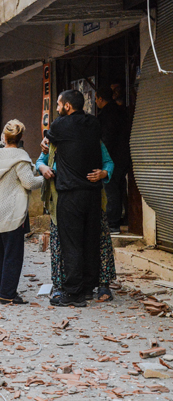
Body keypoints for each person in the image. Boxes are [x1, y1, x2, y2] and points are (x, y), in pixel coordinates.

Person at [38, 139, 116, 302]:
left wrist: (103, 173)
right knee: (60, 243)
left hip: (91, 202)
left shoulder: (93, 141)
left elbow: (108, 162)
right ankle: (60, 286)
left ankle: (102, 284)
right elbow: (40, 161)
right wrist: (43, 167)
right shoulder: (53, 143)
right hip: (61, 203)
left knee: (99, 240)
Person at [45, 90, 103, 307]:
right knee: (90, 241)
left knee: (72, 244)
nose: (57, 109)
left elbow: (47, 142)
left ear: (67, 106)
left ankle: (74, 293)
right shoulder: (94, 123)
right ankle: (88, 287)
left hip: (71, 194)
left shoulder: (60, 125)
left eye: (59, 105)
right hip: (93, 193)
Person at [0, 121, 44, 304]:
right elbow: (29, 182)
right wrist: (45, 178)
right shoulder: (20, 157)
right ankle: (8, 294)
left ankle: (0, 289)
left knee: (0, 254)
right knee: (13, 255)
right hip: (12, 211)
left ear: (4, 137)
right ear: (20, 138)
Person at [95, 86, 130, 234]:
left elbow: (107, 139)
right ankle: (125, 217)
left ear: (101, 99)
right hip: (124, 156)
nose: (96, 101)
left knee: (111, 189)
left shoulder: (106, 115)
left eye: (96, 98)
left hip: (112, 158)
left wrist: (102, 157)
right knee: (121, 187)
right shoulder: (121, 111)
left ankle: (113, 223)